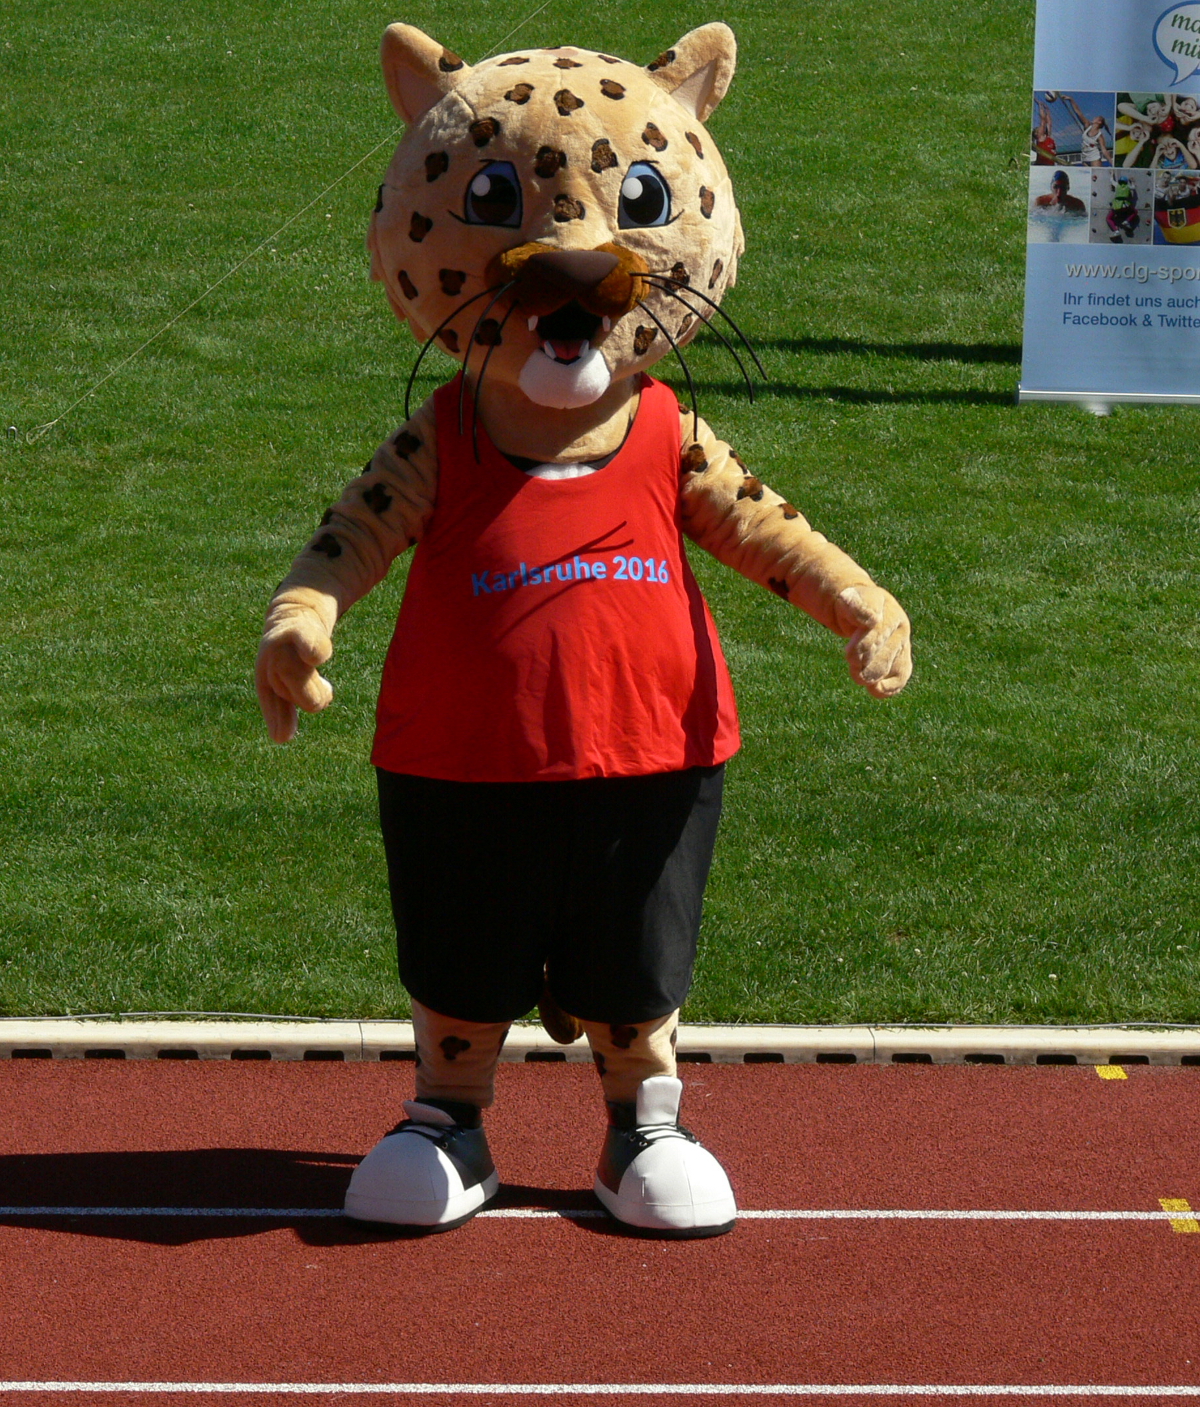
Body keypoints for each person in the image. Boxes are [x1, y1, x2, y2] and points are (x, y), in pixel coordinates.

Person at [1107, 176, 1140, 241]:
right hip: (1125, 205)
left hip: (1116, 205)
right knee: (1135, 211)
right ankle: (1126, 221)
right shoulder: (1128, 186)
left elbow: (1111, 180)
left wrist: (1111, 174)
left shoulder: (1117, 185)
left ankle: (1116, 231)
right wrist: (1132, 182)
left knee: (1109, 218)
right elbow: (1133, 188)